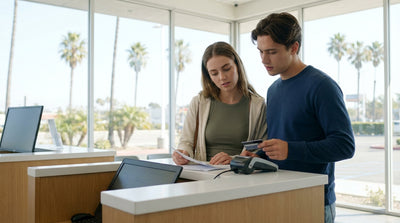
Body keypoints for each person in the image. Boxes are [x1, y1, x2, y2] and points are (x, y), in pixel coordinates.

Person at [242, 12, 355, 223]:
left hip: (313, 200)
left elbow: (345, 146)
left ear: (294, 48)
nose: (263, 60)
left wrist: (290, 149)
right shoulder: (273, 90)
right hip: (279, 195)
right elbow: (283, 143)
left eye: (271, 52)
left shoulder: (322, 86)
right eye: (260, 52)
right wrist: (260, 156)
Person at [172, 41, 267, 165]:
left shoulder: (257, 105)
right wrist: (184, 153)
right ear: (208, 76)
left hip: (239, 175)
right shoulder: (199, 102)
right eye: (214, 73)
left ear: (237, 66)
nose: (222, 77)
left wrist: (233, 159)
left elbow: (260, 151)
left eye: (226, 69)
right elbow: (186, 142)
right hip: (203, 174)